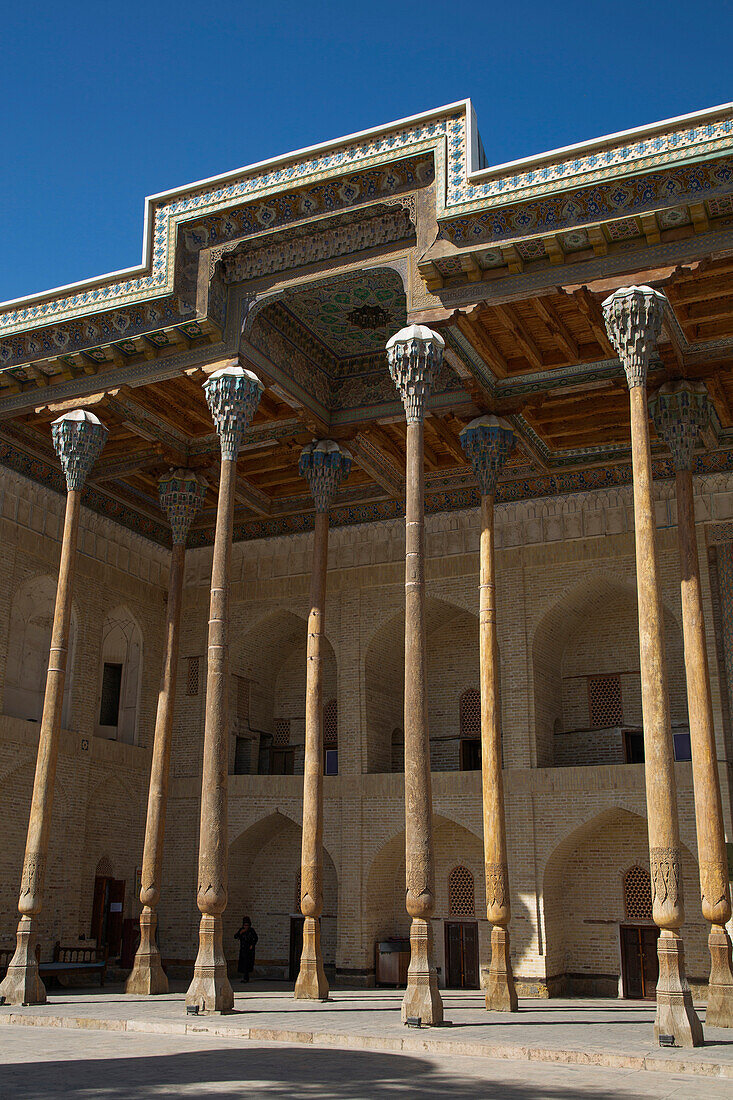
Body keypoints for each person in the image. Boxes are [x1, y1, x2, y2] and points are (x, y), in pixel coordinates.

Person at [234, 916, 258, 983]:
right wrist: (241, 932)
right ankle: (245, 977)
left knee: (247, 963)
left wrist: (252, 945)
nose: (246, 926)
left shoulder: (251, 930)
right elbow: (235, 936)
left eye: (247, 925)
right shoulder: (241, 930)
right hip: (243, 949)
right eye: (245, 925)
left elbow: (255, 938)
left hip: (249, 950)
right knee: (243, 964)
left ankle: (246, 978)